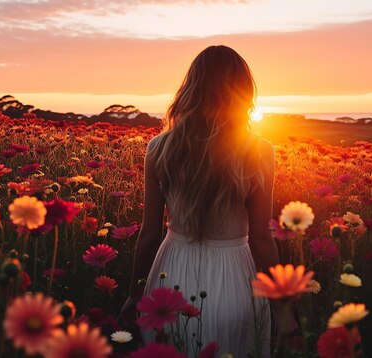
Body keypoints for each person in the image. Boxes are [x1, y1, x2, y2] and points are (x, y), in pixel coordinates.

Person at [119, 45, 284, 357]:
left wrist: (134, 294)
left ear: (191, 88)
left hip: (171, 276)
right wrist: (283, 307)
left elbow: (150, 234)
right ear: (243, 92)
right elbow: (262, 239)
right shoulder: (259, 151)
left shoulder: (160, 148)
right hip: (235, 279)